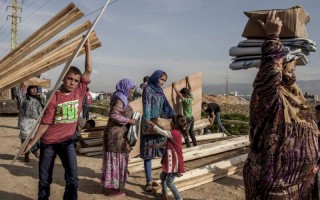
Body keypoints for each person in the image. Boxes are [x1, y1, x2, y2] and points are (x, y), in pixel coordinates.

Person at [243, 10, 319, 199]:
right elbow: (269, 77)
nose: (293, 75)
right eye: (289, 70)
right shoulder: (269, 98)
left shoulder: (296, 97)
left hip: (302, 185)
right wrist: (273, 38)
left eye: (294, 70)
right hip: (275, 189)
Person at [22, 38, 92, 200]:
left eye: (76, 80)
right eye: (69, 79)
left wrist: (87, 47)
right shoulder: (54, 97)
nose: (73, 83)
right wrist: (31, 143)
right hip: (49, 143)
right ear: (63, 78)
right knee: (45, 181)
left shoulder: (79, 92)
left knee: (73, 179)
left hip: (67, 142)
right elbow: (46, 123)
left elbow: (88, 69)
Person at [101, 78, 137, 197]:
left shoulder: (121, 97)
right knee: (115, 160)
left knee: (117, 160)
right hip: (115, 136)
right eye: (131, 88)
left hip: (119, 135)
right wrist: (129, 121)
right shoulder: (120, 99)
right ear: (126, 87)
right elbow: (114, 115)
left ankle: (114, 186)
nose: (132, 91)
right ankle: (113, 188)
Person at [140, 70, 174, 192]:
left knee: (163, 151)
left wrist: (173, 116)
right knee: (148, 154)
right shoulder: (148, 89)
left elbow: (166, 106)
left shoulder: (160, 91)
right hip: (149, 123)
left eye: (164, 80)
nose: (162, 82)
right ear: (155, 78)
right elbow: (147, 106)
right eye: (161, 79)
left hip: (159, 124)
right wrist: (148, 123)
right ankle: (149, 181)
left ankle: (163, 178)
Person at [145, 114, 186, 200]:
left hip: (175, 162)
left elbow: (161, 131)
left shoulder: (174, 133)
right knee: (162, 177)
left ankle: (179, 198)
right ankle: (164, 195)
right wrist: (154, 146)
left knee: (169, 182)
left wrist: (153, 125)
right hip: (172, 161)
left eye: (172, 122)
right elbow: (165, 143)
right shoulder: (175, 133)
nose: (170, 123)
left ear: (176, 124)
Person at [13, 85, 45, 162]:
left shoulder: (39, 99)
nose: (34, 90)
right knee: (25, 139)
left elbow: (45, 107)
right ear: (29, 89)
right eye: (33, 89)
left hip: (36, 122)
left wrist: (42, 98)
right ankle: (26, 154)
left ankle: (35, 150)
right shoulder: (24, 98)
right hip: (26, 122)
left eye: (36, 89)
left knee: (37, 138)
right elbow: (17, 93)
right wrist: (18, 84)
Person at [173, 76, 197, 147]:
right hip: (192, 118)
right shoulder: (191, 98)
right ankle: (195, 144)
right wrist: (188, 81)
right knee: (191, 132)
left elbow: (179, 95)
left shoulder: (186, 101)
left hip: (187, 119)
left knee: (185, 133)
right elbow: (190, 89)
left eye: (183, 94)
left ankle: (188, 146)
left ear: (185, 95)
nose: (182, 95)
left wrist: (174, 87)